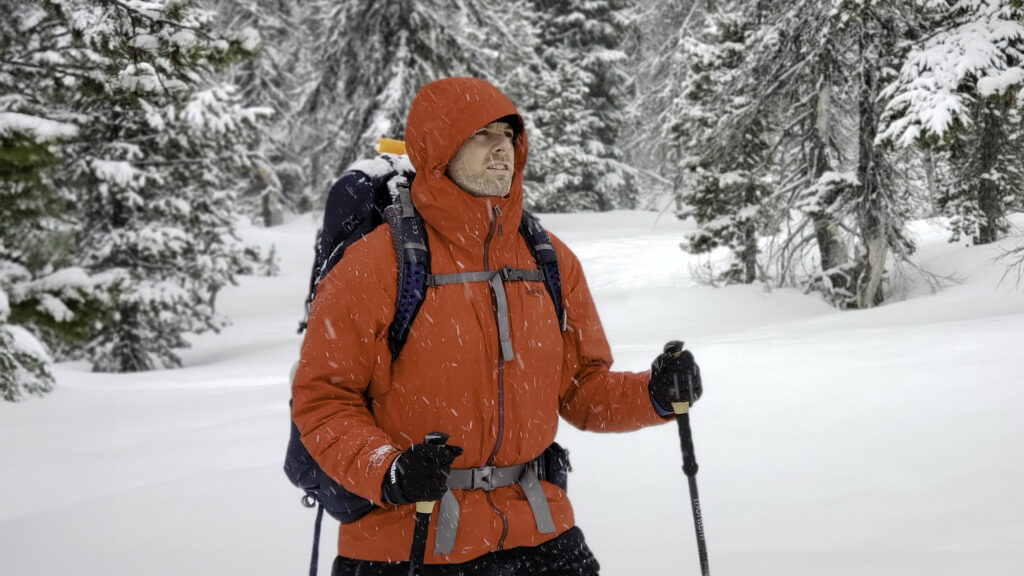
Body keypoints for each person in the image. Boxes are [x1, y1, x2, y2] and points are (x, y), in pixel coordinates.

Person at [291, 77, 701, 576]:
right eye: (481, 133)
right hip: (408, 541)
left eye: (508, 133)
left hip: (541, 532)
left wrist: (654, 395)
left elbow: (582, 389)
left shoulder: (548, 258)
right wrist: (389, 469)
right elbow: (323, 401)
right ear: (440, 148)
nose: (501, 146)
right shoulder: (375, 266)